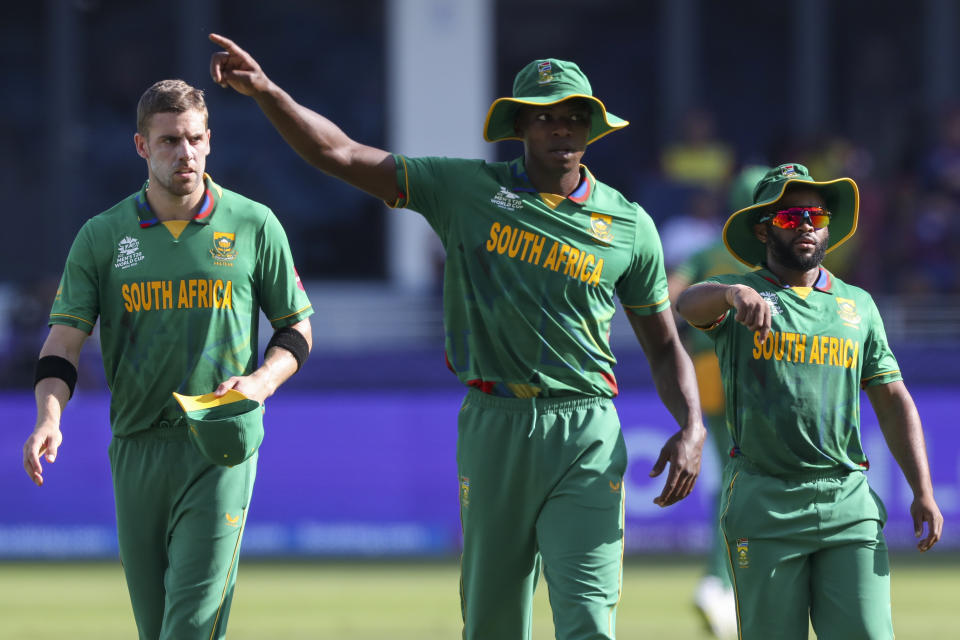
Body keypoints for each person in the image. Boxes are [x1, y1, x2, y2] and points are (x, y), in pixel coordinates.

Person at [208, 34, 706, 640]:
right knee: (493, 624)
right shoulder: (465, 191)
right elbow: (339, 153)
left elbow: (663, 347)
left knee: (589, 621)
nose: (562, 129)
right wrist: (266, 91)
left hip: (586, 431)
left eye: (575, 116)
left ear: (591, 128)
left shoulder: (629, 224)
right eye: (545, 116)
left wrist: (692, 424)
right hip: (493, 424)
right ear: (520, 125)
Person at [22, 79, 314, 640]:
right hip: (136, 448)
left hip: (220, 443)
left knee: (190, 628)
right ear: (142, 147)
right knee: (157, 630)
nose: (185, 152)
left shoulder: (255, 224)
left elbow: (296, 328)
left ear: (209, 142)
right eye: (169, 141)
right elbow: (61, 346)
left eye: (195, 139)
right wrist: (49, 418)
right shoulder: (102, 237)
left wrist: (259, 383)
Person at [675, 163, 943, 639]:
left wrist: (922, 488)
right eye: (788, 216)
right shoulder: (743, 296)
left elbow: (893, 397)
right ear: (763, 229)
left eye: (815, 216)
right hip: (765, 504)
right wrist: (731, 291)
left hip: (848, 503)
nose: (804, 225)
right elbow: (687, 303)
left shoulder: (857, 305)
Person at [666, 165, 768, 640]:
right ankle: (720, 580)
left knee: (728, 471)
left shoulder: (708, 250)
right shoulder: (767, 254)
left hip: (705, 372)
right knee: (744, 474)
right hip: (750, 374)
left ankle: (722, 580)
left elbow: (669, 296)